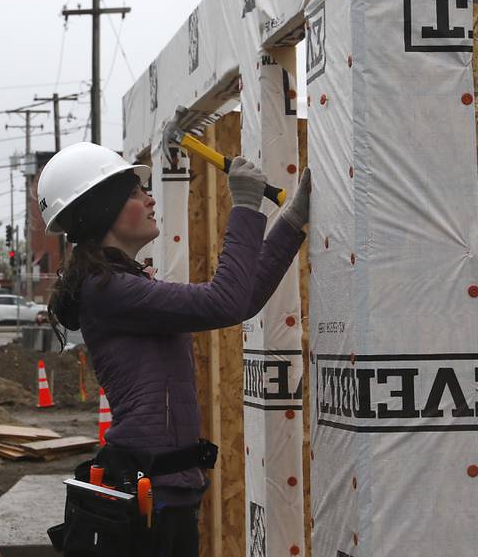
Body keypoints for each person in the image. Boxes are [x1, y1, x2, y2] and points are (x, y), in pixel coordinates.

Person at [37, 141, 310, 556]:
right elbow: (226, 302)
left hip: (163, 490)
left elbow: (244, 297)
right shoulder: (109, 289)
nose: (149, 198)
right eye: (132, 192)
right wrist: (246, 206)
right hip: (149, 496)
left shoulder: (122, 282)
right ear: (102, 210)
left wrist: (292, 221)